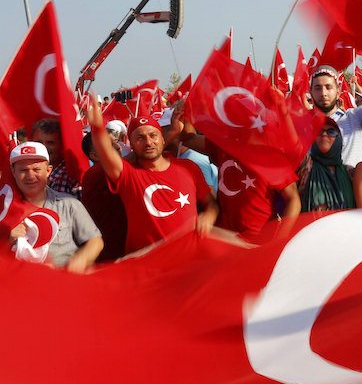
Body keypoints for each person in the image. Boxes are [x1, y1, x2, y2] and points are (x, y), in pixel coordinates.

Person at [87, 100, 218, 255]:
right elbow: (106, 154)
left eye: (153, 135)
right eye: (140, 138)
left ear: (163, 139)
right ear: (131, 146)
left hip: (189, 259)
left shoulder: (188, 168)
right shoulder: (128, 174)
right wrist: (97, 128)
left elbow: (211, 204)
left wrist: (208, 217)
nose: (148, 142)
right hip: (147, 266)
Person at [168, 106, 300, 241]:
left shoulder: (270, 155)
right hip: (226, 239)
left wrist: (280, 240)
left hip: (259, 242)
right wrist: (187, 111)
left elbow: (293, 199)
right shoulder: (223, 146)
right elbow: (188, 139)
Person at [7, 141, 102, 271]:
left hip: (63, 283)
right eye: (23, 170)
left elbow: (95, 241)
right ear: (13, 172)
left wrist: (81, 260)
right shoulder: (4, 209)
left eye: (36, 169)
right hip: (20, 284)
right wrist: (7, 241)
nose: (30, 176)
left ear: (48, 171)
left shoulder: (69, 204)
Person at [80, 132, 127, 262]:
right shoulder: (96, 173)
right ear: (94, 155)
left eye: (116, 141)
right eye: (109, 145)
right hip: (109, 253)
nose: (118, 147)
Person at [297, 118, 356, 211]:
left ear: (339, 139)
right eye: (318, 131)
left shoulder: (351, 173)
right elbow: (293, 145)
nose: (324, 134)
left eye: (331, 132)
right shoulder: (305, 167)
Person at [30, 118, 81, 198]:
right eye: (39, 142)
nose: (44, 147)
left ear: (61, 145)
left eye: (50, 143)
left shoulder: (70, 176)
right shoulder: (26, 174)